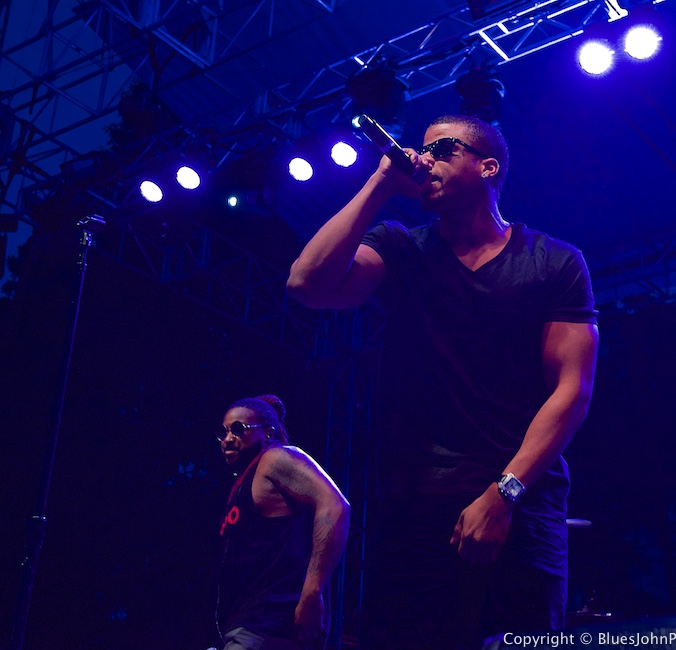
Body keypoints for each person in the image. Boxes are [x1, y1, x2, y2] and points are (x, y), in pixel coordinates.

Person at [286, 114, 599, 649]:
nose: (424, 159)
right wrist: (382, 181)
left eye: (444, 149)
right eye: (422, 150)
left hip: (520, 505)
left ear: (487, 167)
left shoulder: (554, 262)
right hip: (414, 506)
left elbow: (571, 392)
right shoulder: (401, 247)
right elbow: (306, 283)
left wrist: (504, 493)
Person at [215, 394, 350, 650]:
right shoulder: (246, 479)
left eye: (238, 429)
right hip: (244, 626)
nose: (228, 439)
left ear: (268, 433)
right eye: (225, 431)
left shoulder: (275, 458)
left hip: (271, 624)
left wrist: (312, 594)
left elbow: (335, 506)